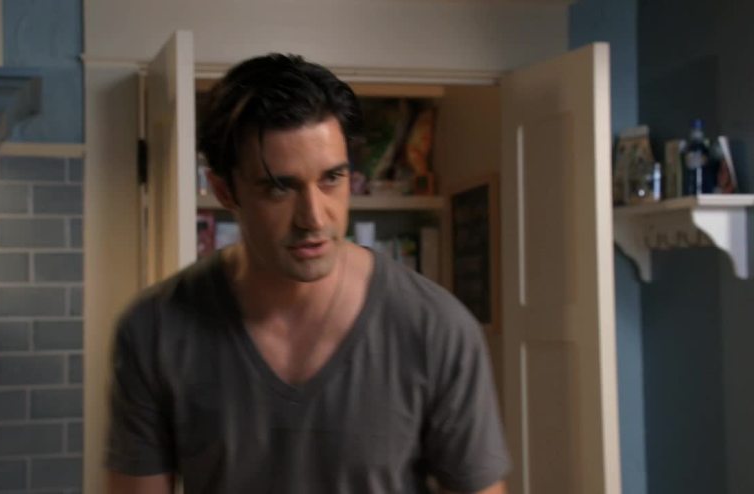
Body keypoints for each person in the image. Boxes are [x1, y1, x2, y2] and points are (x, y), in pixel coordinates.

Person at [107, 53, 511, 494]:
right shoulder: (155, 330)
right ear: (224, 190)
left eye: (332, 178)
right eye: (280, 187)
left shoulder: (436, 329)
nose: (314, 217)